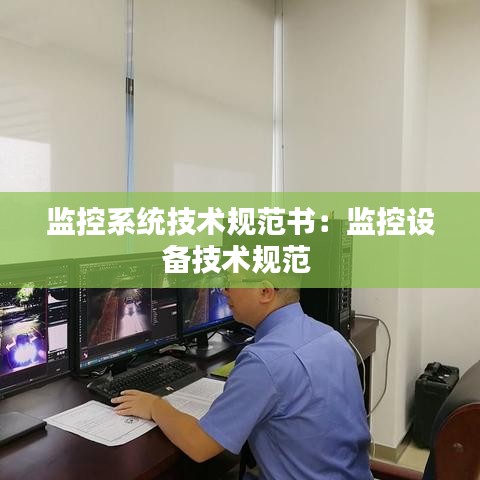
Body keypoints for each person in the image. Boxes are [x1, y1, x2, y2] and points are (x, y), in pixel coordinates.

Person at [111, 284, 372, 479]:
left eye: (232, 281)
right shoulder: (330, 337)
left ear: (265, 292)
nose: (224, 290)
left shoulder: (263, 362)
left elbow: (199, 446)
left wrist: (155, 406)